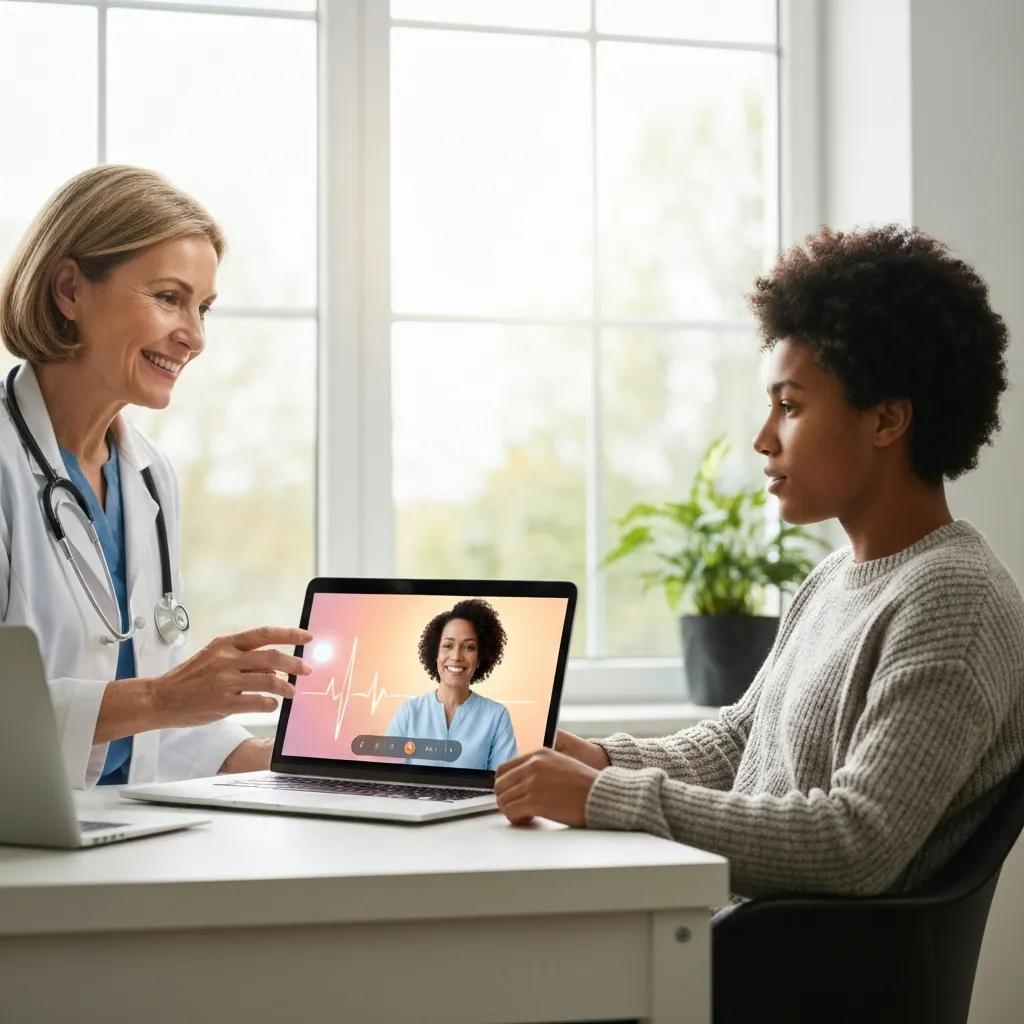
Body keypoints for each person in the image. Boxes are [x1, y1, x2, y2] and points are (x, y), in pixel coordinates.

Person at [494, 224, 1024, 899]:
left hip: (794, 983)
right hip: (727, 947)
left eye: (790, 406)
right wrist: (601, 759)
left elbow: (854, 844)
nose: (762, 438)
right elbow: (743, 741)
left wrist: (604, 796)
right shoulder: (835, 578)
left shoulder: (955, 600)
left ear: (887, 421)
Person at [0, 165, 313, 789]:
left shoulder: (147, 477)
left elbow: (157, 733)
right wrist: (167, 696)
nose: (194, 336)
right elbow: (150, 703)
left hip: (122, 829)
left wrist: (350, 758)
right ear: (69, 290)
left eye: (204, 308)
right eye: (169, 298)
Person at [386, 598, 518, 771]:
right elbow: (388, 779)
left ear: (480, 658)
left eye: (469, 647)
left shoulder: (497, 717)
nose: (456, 656)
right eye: (447, 645)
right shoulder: (409, 713)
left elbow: (504, 785)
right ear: (436, 654)